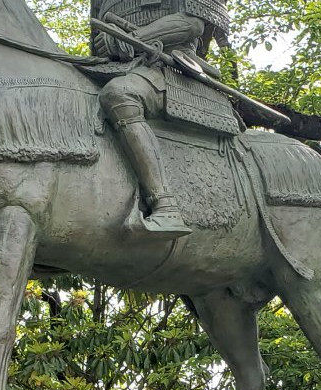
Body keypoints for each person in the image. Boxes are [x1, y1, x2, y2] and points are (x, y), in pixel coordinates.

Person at [90, 0, 230, 238]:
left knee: (120, 95)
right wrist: (107, 45)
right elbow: (98, 43)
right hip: (115, 68)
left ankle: (165, 205)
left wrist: (130, 38)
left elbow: (193, 24)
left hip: (169, 68)